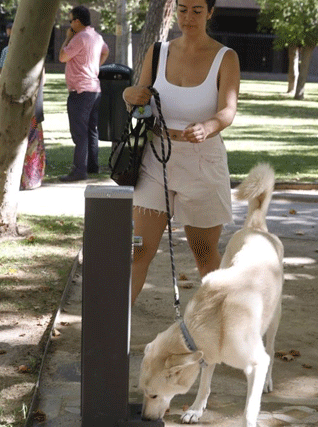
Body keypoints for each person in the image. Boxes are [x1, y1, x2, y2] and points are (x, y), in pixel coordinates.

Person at [122, 0, 240, 304]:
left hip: (203, 160)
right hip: (156, 156)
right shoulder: (159, 51)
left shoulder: (225, 57)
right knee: (138, 250)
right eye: (183, 9)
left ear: (210, 12)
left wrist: (209, 126)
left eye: (197, 10)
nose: (188, 18)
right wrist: (128, 94)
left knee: (204, 256)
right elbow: (140, 97)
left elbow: (228, 110)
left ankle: (220, 332)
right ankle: (114, 332)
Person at [58, 5, 109, 182]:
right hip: (94, 89)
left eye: (70, 20)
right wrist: (94, 68)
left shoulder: (79, 37)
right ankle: (92, 166)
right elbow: (106, 51)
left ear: (77, 21)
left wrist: (66, 40)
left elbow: (62, 57)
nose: (70, 24)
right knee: (91, 130)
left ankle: (79, 170)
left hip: (80, 91)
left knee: (79, 133)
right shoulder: (96, 36)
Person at [0, 21, 46, 190]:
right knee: (33, 140)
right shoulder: (35, 49)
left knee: (14, 140)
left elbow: (3, 77)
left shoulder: (7, 51)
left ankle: (16, 179)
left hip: (15, 102)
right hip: (32, 101)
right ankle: (31, 178)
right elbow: (43, 78)